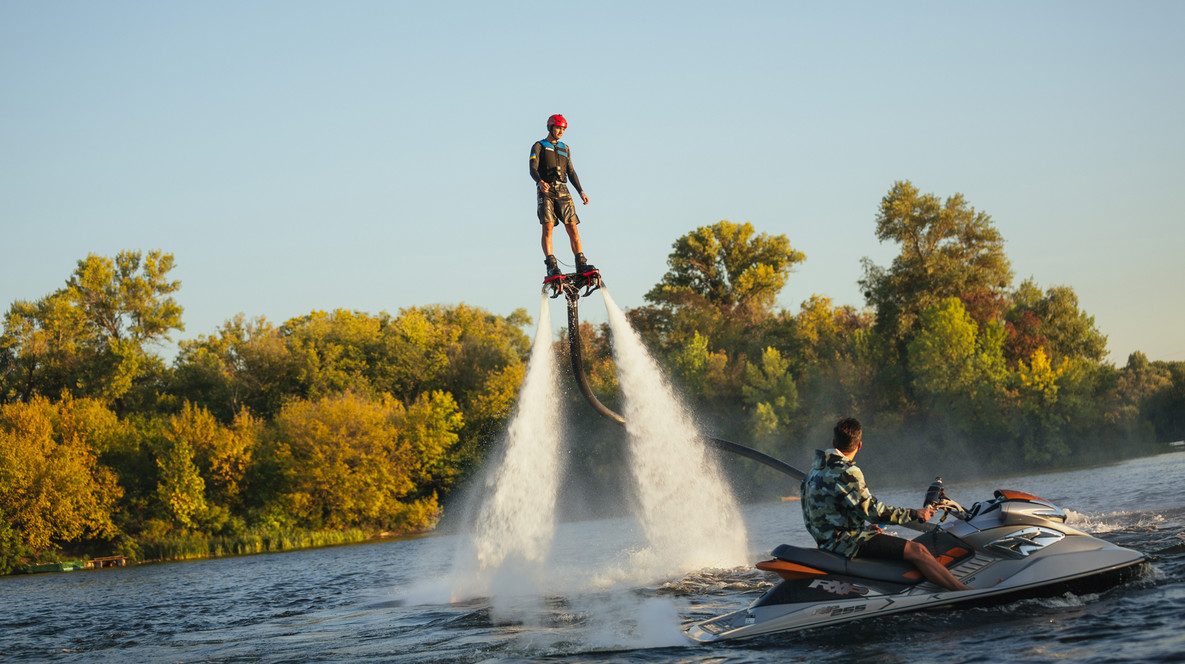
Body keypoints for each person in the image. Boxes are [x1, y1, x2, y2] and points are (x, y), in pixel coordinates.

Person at [800, 417, 972, 592]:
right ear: (859, 445)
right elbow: (875, 512)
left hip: (826, 544)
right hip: (847, 545)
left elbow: (815, 517)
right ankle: (965, 592)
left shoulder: (812, 473)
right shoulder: (847, 472)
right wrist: (915, 514)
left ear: (833, 441)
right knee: (917, 550)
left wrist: (863, 529)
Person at [529, 113, 595, 279]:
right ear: (550, 128)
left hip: (563, 190)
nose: (560, 131)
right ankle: (551, 265)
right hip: (546, 190)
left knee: (572, 226)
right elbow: (532, 169)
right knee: (548, 226)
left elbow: (571, 171)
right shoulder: (539, 146)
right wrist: (539, 182)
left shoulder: (565, 148)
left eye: (563, 129)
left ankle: (581, 263)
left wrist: (581, 191)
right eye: (558, 128)